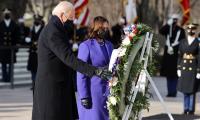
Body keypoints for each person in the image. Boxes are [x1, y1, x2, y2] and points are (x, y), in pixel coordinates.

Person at [32, 1, 111, 120]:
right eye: (71, 17)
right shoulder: (53, 31)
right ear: (62, 15)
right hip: (51, 87)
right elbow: (68, 58)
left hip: (60, 84)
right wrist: (95, 70)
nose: (73, 20)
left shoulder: (57, 29)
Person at [77, 16, 113, 120]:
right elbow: (81, 73)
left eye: (107, 28)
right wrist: (84, 96)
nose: (105, 31)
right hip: (93, 93)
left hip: (108, 91)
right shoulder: (86, 46)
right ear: (96, 28)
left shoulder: (109, 45)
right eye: (103, 28)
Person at [159, 14, 186, 97]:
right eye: (173, 19)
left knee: (174, 75)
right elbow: (161, 31)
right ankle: (169, 92)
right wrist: (167, 24)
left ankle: (173, 92)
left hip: (176, 55)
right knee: (168, 74)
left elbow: (183, 42)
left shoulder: (180, 30)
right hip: (168, 55)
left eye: (175, 20)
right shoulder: (168, 28)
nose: (174, 21)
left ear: (177, 20)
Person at [177, 23, 200, 115]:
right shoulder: (182, 41)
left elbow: (199, 57)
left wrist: (199, 70)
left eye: (193, 29)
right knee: (185, 90)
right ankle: (185, 108)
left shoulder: (197, 42)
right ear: (187, 30)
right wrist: (178, 68)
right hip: (184, 67)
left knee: (192, 90)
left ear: (195, 30)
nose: (190, 31)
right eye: (189, 29)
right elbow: (179, 56)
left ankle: (191, 109)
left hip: (193, 67)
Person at [0, 8, 19, 82]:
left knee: (11, 65)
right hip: (3, 48)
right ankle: (5, 78)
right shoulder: (0, 24)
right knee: (3, 65)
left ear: (10, 14)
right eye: (5, 13)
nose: (6, 14)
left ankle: (10, 78)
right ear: (3, 14)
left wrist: (16, 48)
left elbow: (17, 37)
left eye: (8, 13)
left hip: (11, 48)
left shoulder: (14, 25)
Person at [27, 14, 44, 91]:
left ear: (40, 21)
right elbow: (28, 39)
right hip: (32, 53)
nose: (36, 21)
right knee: (32, 70)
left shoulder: (43, 29)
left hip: (40, 53)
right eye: (35, 20)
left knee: (39, 70)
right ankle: (33, 83)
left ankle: (38, 84)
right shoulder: (31, 29)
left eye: (38, 20)